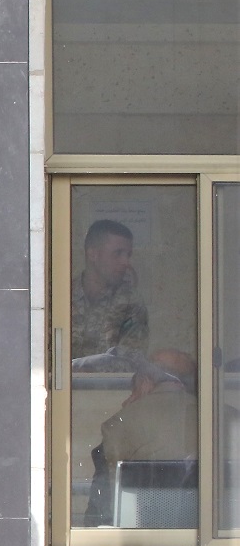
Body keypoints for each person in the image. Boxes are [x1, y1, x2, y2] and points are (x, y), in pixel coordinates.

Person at [84, 349, 199, 526]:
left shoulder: (121, 423)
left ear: (145, 382)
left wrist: (127, 415)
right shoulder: (225, 418)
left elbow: (104, 505)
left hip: (142, 529)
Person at [71, 220, 149, 360]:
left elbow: (130, 361)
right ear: (93, 254)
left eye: (128, 255)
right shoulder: (63, 296)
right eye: (118, 253)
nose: (125, 262)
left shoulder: (130, 302)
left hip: (110, 376)